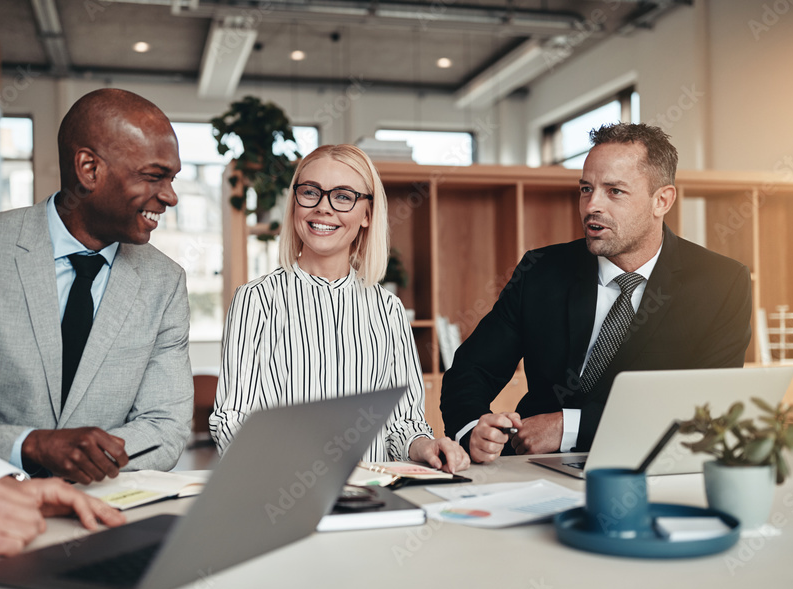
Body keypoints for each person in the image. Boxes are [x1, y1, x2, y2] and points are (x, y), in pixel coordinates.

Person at [441, 123, 752, 463]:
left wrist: (569, 427)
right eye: (586, 189)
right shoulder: (541, 271)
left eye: (614, 191)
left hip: (646, 469)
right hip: (531, 468)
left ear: (661, 200)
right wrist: (473, 429)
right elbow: (471, 370)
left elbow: (708, 408)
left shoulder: (721, 283)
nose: (591, 206)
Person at [0, 88, 194, 484]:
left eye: (171, 179)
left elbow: (165, 428)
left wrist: (87, 458)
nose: (170, 197)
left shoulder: (165, 282)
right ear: (89, 169)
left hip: (102, 518)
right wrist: (32, 445)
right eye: (155, 176)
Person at [211, 144, 469, 472]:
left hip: (373, 498)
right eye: (310, 192)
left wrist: (426, 446)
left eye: (343, 196)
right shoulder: (256, 300)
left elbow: (402, 422)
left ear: (367, 215)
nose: (323, 208)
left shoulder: (388, 309)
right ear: (294, 203)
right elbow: (232, 420)